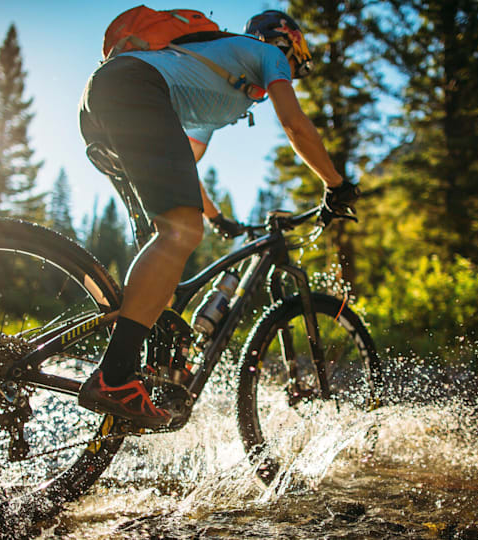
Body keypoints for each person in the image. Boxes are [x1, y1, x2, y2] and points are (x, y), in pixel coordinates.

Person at [77, 9, 360, 427]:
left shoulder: (215, 71)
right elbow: (295, 125)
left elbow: (186, 159)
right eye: (299, 48)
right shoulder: (267, 55)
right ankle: (115, 376)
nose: (299, 59)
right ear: (287, 39)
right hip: (134, 92)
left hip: (105, 102)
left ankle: (139, 374)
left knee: (166, 253)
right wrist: (336, 185)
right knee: (178, 234)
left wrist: (217, 217)